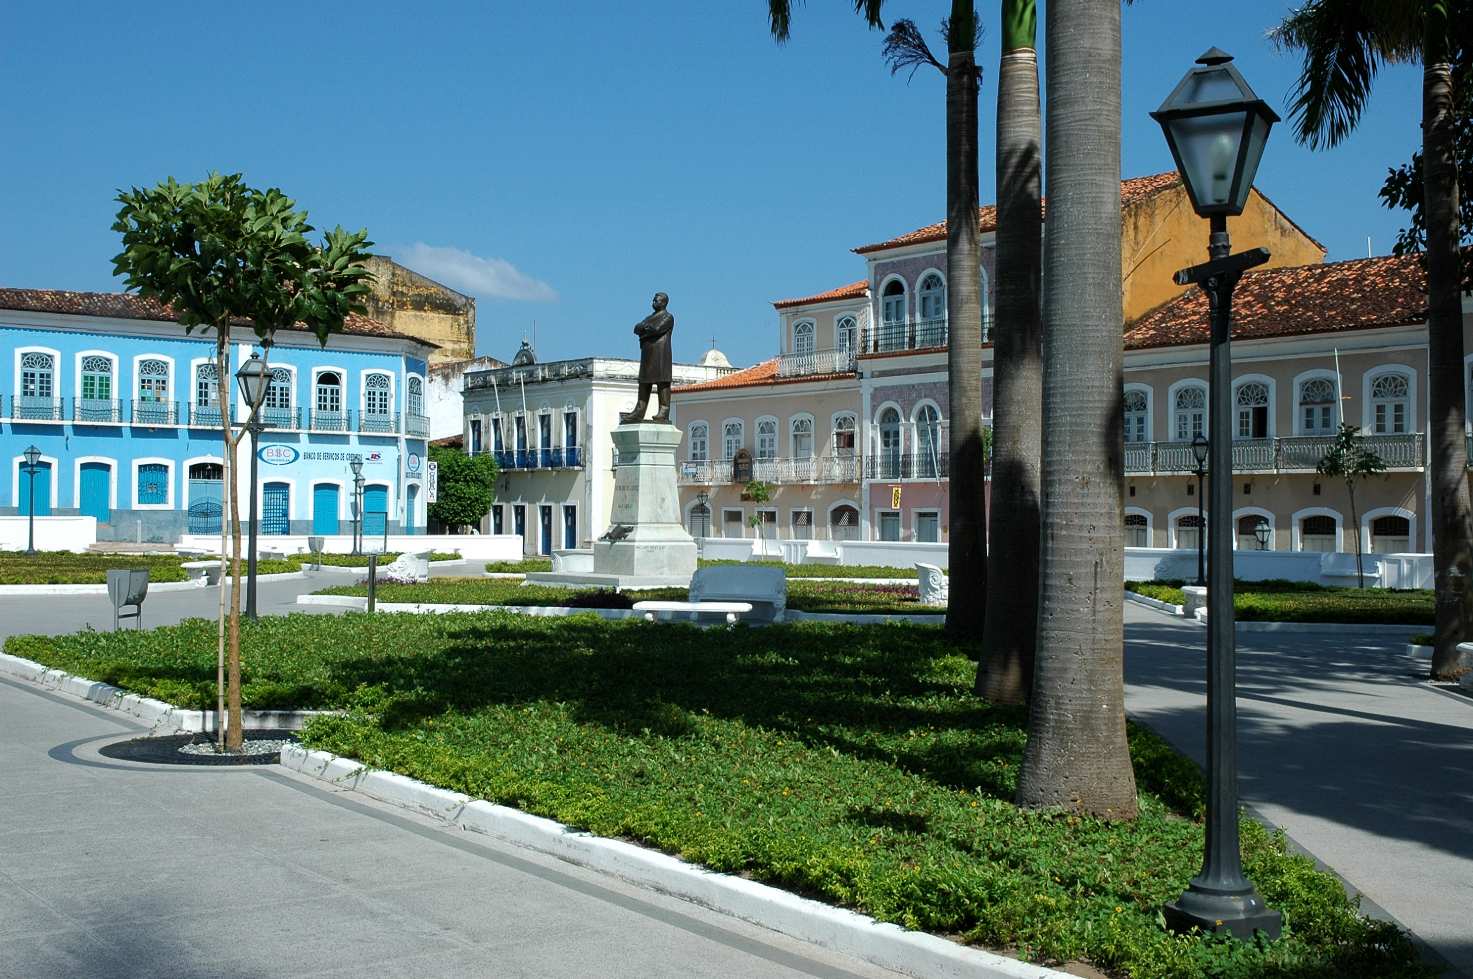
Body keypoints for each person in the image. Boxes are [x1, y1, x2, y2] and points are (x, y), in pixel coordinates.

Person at [620, 292, 675, 424]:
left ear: (664, 302)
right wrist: (645, 330)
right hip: (647, 353)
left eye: (656, 300)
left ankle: (664, 410)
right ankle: (639, 411)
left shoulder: (668, 317)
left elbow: (656, 329)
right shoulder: (650, 317)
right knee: (644, 382)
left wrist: (644, 330)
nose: (653, 303)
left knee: (662, 382)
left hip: (661, 354)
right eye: (653, 300)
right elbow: (636, 328)